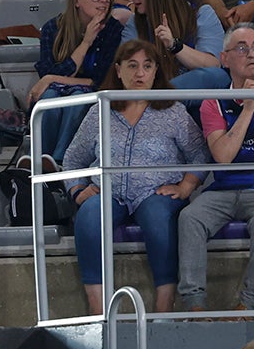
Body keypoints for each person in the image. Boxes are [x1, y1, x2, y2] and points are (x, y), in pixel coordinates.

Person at [61, 40, 207, 314]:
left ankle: (164, 308)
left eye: (147, 66)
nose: (140, 73)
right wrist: (78, 190)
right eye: (132, 66)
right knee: (89, 215)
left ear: (155, 71)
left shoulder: (173, 111)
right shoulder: (100, 110)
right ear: (118, 70)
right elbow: (72, 159)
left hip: (155, 192)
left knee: (158, 218)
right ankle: (98, 311)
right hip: (108, 191)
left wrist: (186, 186)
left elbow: (200, 153)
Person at [176, 25, 254, 312]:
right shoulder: (213, 102)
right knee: (190, 217)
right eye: (243, 48)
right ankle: (195, 306)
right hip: (225, 190)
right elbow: (222, 156)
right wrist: (247, 109)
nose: (253, 54)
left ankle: (249, 305)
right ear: (225, 58)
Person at [27, 0, 127, 163]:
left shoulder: (113, 30)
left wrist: (51, 79)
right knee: (49, 97)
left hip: (90, 96)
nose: (103, 0)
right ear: (77, 0)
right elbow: (48, 72)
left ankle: (61, 162)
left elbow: (100, 80)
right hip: (56, 92)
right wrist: (86, 42)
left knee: (78, 98)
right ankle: (37, 161)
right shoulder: (52, 28)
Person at [132, 0, 231, 92]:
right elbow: (127, 68)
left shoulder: (201, 14)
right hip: (150, 92)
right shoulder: (134, 21)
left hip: (193, 95)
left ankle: (162, 96)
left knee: (217, 75)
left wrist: (174, 45)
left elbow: (213, 65)